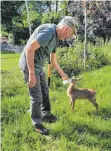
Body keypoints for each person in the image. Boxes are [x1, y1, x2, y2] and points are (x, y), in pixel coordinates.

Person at [19, 16, 78, 135]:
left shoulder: (56, 39)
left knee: (45, 91)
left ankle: (46, 115)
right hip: (29, 64)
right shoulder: (49, 32)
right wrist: (31, 73)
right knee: (36, 97)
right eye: (69, 34)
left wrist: (63, 75)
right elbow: (29, 49)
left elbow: (53, 60)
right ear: (66, 29)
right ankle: (37, 124)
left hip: (38, 66)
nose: (67, 38)